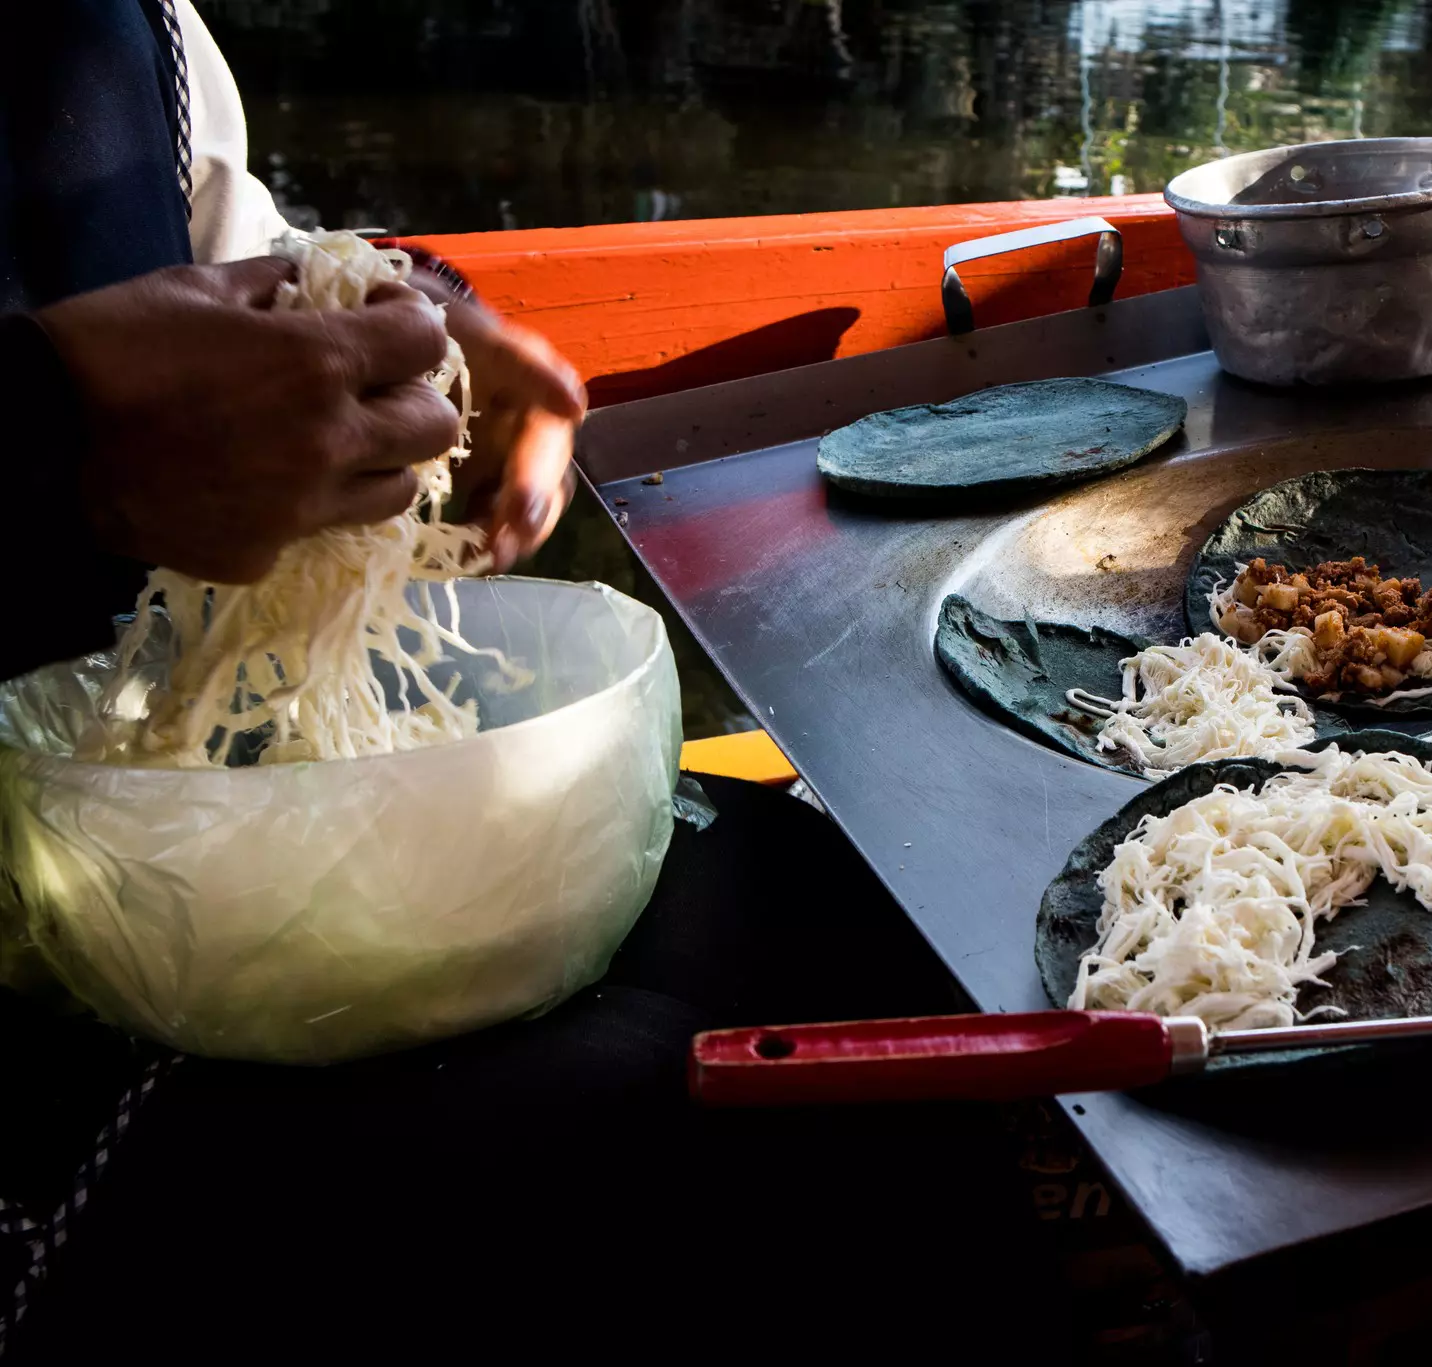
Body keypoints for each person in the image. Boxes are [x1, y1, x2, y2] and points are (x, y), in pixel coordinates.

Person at [1, 6, 1062, 1362]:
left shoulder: (130, 29)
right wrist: (53, 451)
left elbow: (230, 268)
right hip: (55, 990)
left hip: (210, 812)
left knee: (836, 920)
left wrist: (406, 330)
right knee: (619, 1124)